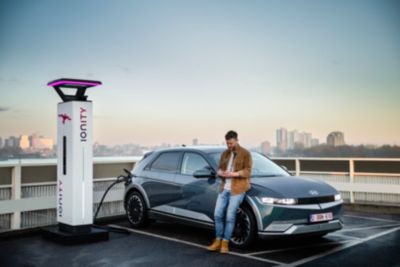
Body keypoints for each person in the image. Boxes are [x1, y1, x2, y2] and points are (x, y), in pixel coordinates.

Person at [206, 130, 252, 254]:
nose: (229, 146)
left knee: (230, 217)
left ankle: (225, 243)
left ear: (236, 140)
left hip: (237, 190)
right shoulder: (225, 154)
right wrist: (221, 173)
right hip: (224, 188)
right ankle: (218, 240)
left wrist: (234, 174)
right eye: (227, 143)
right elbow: (219, 169)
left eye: (231, 143)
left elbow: (248, 171)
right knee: (217, 215)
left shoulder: (245, 153)